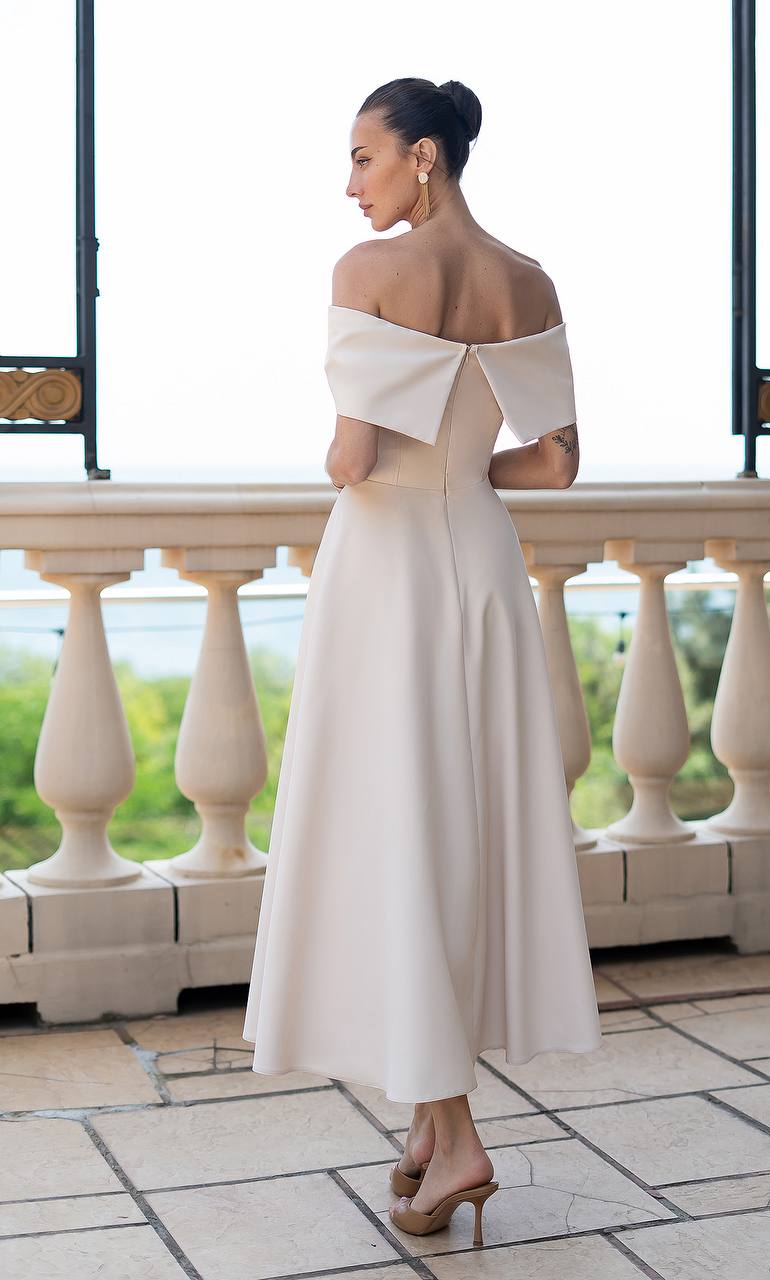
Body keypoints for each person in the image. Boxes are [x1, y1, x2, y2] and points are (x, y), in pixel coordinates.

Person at [241, 76, 602, 1246]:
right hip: (481, 569)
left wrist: (380, 453)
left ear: (425, 156)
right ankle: (429, 1118)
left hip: (387, 572)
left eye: (362, 158)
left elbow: (351, 459)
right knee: (452, 830)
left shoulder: (365, 277)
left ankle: (457, 1136)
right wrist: (463, 473)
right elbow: (553, 466)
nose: (351, 183)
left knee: (394, 827)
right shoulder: (528, 282)